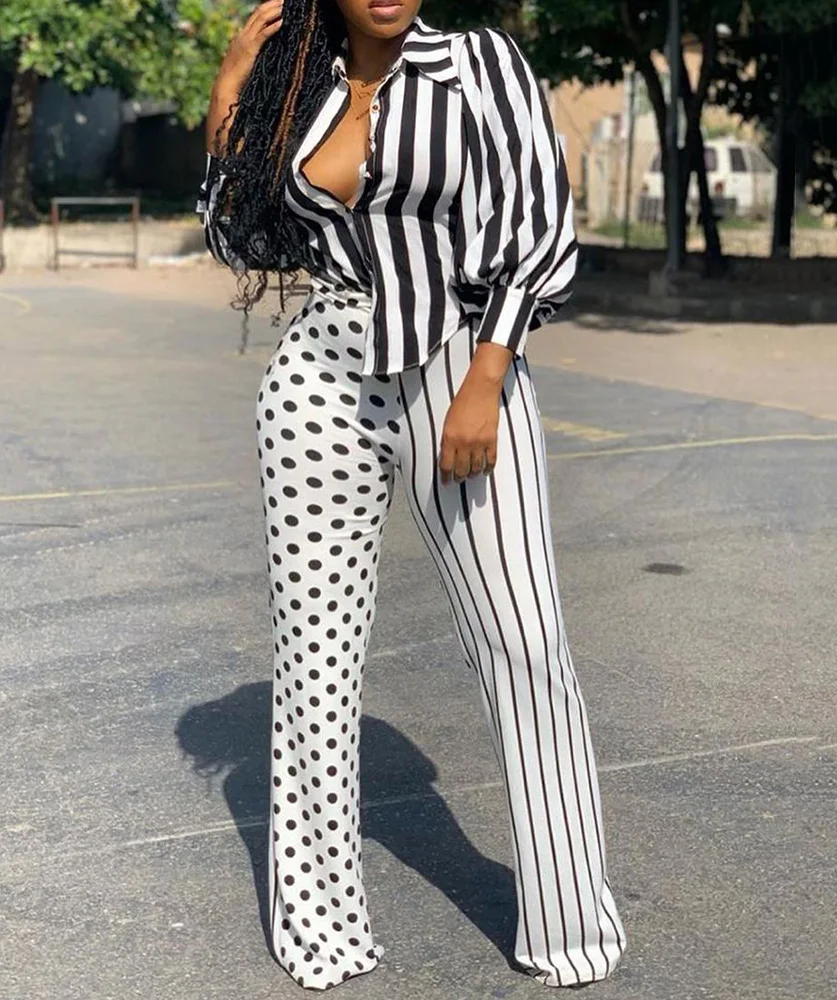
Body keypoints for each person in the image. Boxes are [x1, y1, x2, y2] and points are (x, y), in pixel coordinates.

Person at [196, 0, 627, 990]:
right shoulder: (296, 87)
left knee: (525, 643)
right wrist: (228, 95)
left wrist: (486, 379)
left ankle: (569, 924)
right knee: (313, 662)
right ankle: (321, 927)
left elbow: (536, 224)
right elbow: (241, 239)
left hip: (458, 370)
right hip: (319, 382)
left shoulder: (479, 65)